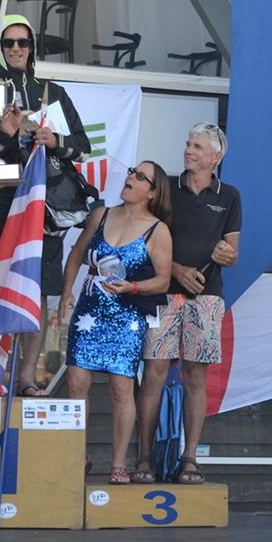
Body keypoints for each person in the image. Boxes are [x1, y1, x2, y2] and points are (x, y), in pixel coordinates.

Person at [0, 14, 92, 397]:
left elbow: (83, 146)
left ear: (32, 47)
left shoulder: (52, 90)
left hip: (42, 201)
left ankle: (25, 377)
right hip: (3, 196)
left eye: (22, 42)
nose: (16, 49)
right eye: (8, 43)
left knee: (36, 289)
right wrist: (5, 136)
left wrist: (55, 142)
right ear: (0, 50)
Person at [134, 123, 241, 485]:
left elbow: (232, 251)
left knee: (197, 376)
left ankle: (190, 459)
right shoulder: (168, 189)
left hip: (208, 297)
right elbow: (148, 239)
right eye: (187, 143)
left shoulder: (230, 196)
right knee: (154, 373)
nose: (188, 150)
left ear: (216, 156)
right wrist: (176, 269)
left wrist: (227, 254)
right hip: (163, 292)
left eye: (197, 146)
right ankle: (144, 459)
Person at [59, 161, 172, 483]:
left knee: (121, 388)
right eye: (131, 172)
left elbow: (163, 281)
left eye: (139, 177)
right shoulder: (102, 214)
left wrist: (133, 286)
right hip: (91, 307)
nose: (130, 178)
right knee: (76, 381)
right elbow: (77, 254)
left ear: (152, 192)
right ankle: (76, 454)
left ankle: (119, 463)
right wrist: (67, 290)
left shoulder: (158, 230)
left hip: (127, 313)